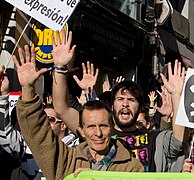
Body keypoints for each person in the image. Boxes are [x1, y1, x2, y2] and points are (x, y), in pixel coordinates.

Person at [12, 44, 144, 180]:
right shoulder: (68, 161)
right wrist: (28, 88)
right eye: (91, 127)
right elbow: (38, 134)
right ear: (81, 130)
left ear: (112, 129)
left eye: (103, 126)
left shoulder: (132, 168)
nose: (98, 133)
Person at [51, 30, 186, 172]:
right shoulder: (99, 134)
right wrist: (60, 68)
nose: (125, 104)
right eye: (120, 99)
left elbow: (178, 141)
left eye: (131, 100)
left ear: (140, 107)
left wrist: (176, 95)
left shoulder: (155, 139)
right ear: (112, 106)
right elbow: (61, 109)